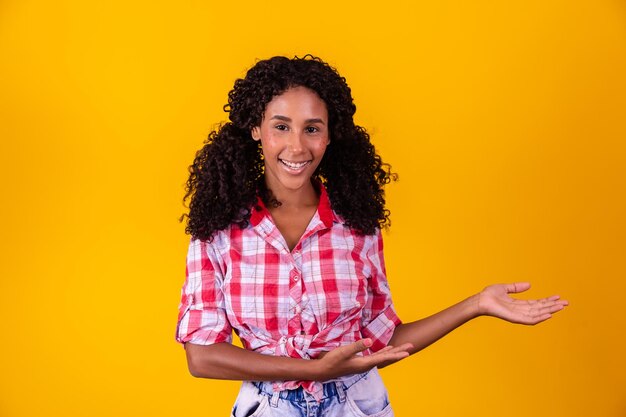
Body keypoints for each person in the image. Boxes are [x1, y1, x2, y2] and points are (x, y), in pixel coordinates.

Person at [175, 55, 568, 417]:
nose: (297, 145)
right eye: (281, 126)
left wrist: (475, 305)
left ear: (329, 136)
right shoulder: (219, 228)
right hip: (267, 407)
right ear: (256, 129)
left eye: (313, 128)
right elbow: (202, 357)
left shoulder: (356, 224)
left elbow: (383, 337)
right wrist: (314, 369)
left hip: (358, 405)